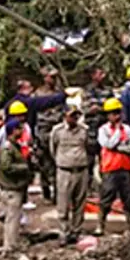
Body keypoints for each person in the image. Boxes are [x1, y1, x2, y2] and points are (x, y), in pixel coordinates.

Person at [96, 97, 130, 236]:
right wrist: (118, 133)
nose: (116, 116)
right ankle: (100, 225)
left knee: (128, 198)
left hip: (125, 168)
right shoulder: (103, 130)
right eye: (113, 113)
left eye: (118, 112)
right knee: (106, 199)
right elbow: (108, 144)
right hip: (110, 169)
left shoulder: (128, 129)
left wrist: (119, 148)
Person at [50, 102, 90, 245]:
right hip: (64, 171)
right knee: (63, 204)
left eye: (77, 116)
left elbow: (87, 147)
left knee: (80, 203)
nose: (75, 119)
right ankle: (64, 232)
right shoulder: (57, 131)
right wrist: (62, 162)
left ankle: (76, 231)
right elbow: (52, 149)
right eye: (72, 116)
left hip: (81, 170)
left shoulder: (84, 130)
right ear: (65, 116)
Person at [0, 117, 34, 251]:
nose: (21, 131)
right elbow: (7, 166)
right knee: (12, 218)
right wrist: (24, 167)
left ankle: (10, 243)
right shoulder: (8, 148)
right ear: (13, 131)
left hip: (15, 186)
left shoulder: (15, 147)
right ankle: (10, 245)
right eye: (19, 128)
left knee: (11, 217)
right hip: (12, 188)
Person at [33, 70, 68, 203]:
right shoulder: (39, 93)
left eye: (55, 77)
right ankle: (46, 191)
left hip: (57, 130)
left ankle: (57, 194)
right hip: (43, 130)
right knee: (44, 163)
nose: (52, 80)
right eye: (50, 77)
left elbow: (65, 110)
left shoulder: (59, 93)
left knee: (57, 163)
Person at [82, 65, 112, 177]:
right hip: (91, 131)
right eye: (100, 74)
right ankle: (88, 187)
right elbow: (86, 109)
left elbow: (111, 108)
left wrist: (99, 108)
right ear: (93, 76)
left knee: (105, 160)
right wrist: (101, 108)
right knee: (89, 161)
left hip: (104, 130)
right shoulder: (87, 91)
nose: (102, 76)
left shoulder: (108, 91)